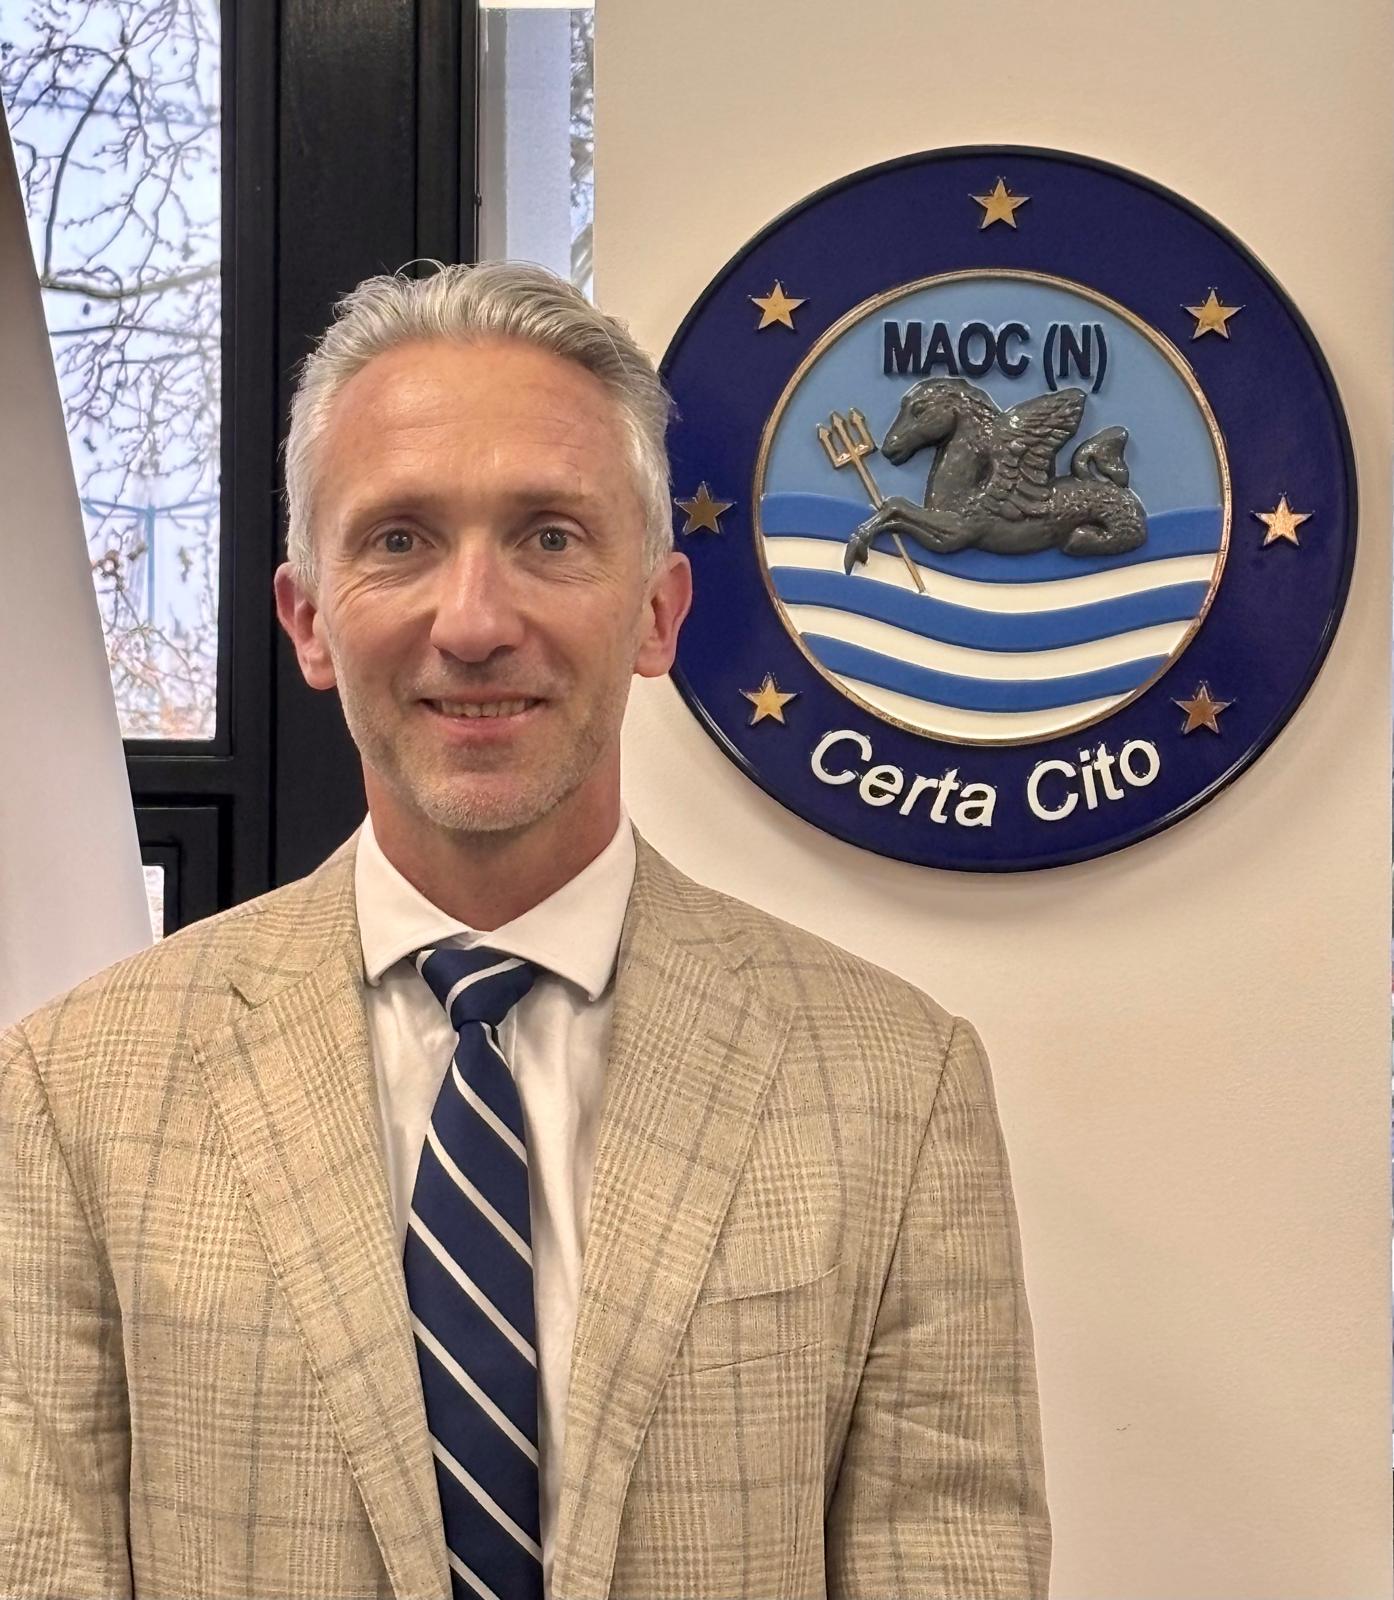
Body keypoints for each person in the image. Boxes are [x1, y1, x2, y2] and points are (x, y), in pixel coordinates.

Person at [0, 262, 1050, 1600]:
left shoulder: (898, 1084)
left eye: (550, 537)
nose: (475, 623)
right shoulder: (72, 1089)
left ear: (656, 614)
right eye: (398, 541)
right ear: (309, 621)